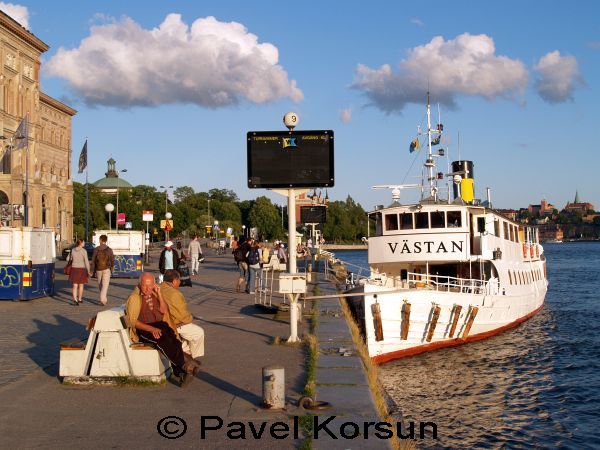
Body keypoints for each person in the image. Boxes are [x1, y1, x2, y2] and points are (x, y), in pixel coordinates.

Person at [125, 272, 199, 387]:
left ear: (154, 284)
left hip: (160, 324)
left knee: (175, 340)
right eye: (144, 285)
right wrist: (151, 329)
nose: (147, 288)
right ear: (140, 284)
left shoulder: (154, 293)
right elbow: (133, 322)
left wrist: (159, 293)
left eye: (150, 285)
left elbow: (164, 310)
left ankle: (180, 372)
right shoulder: (134, 297)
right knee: (164, 341)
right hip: (145, 328)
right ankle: (185, 366)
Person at [161, 269, 205, 362]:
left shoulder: (160, 288)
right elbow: (182, 315)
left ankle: (186, 352)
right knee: (198, 333)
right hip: (172, 324)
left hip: (163, 322)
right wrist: (191, 319)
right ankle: (191, 358)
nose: (180, 282)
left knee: (187, 335)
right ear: (174, 281)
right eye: (179, 280)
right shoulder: (174, 293)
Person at [90, 234, 115, 306]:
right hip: (106, 269)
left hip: (98, 269)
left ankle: (104, 299)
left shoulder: (96, 249)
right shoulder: (109, 249)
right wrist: (112, 268)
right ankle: (102, 300)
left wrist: (92, 270)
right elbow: (112, 260)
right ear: (106, 241)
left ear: (100, 240)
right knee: (105, 285)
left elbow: (93, 260)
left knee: (100, 285)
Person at [68, 239, 90, 306]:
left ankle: (75, 300)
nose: (84, 243)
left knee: (75, 285)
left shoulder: (73, 250)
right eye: (83, 242)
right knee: (81, 285)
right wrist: (88, 271)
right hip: (82, 269)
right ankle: (80, 299)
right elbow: (86, 261)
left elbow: (68, 259)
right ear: (81, 243)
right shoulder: (84, 251)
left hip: (74, 269)